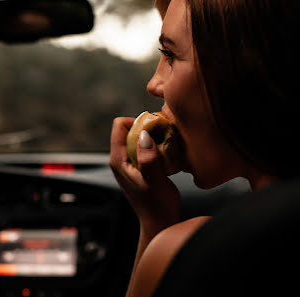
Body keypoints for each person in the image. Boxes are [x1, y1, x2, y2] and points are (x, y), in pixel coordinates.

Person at [109, 0, 300, 296]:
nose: (154, 84)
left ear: (249, 70)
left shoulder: (194, 248)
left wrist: (156, 228)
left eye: (170, 54)